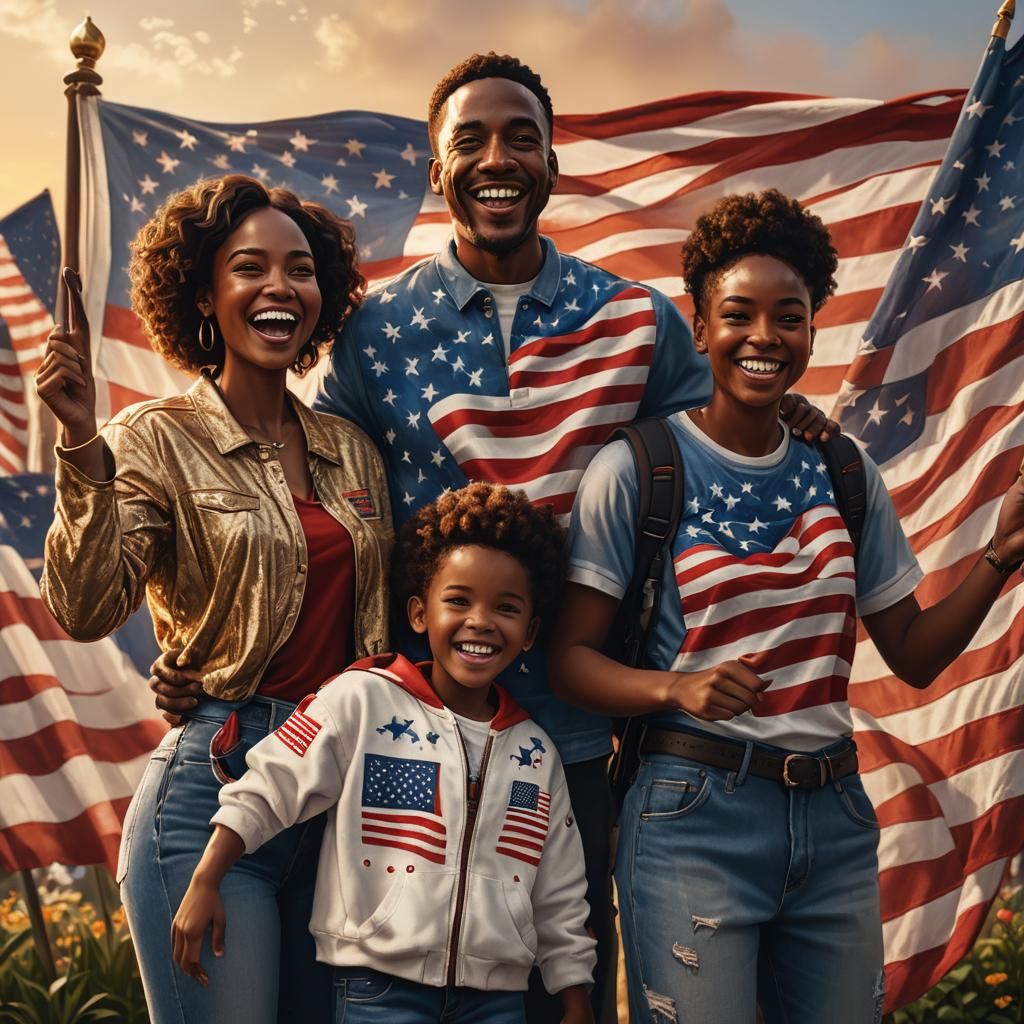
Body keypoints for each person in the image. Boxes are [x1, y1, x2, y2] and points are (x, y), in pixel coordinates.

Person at [148, 55, 835, 1023]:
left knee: (569, 977)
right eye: (468, 140)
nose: (495, 157)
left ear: (553, 162)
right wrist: (208, 649)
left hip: (583, 730)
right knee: (396, 986)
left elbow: (722, 439)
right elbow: (310, 513)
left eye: (520, 136)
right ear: (437, 171)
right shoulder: (374, 335)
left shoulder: (637, 323)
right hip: (412, 731)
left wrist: (797, 415)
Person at [549, 189, 1024, 1024]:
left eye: (789, 316)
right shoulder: (640, 468)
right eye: (739, 314)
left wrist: (1000, 556)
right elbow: (571, 660)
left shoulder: (841, 471)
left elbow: (911, 652)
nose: (764, 337)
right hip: (691, 814)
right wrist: (675, 689)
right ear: (699, 328)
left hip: (834, 817)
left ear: (811, 329)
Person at [36, 175, 393, 1024]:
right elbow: (85, 608)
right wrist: (82, 443)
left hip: (346, 799)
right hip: (217, 791)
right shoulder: (154, 438)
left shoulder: (353, 449)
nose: (279, 287)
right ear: (204, 293)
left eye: (300, 269)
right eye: (249, 268)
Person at [170, 482, 597, 1024]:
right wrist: (206, 878)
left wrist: (575, 995)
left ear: (530, 631)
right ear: (419, 614)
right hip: (378, 993)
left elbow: (559, 891)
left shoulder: (536, 753)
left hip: (498, 1001)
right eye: (458, 601)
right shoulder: (361, 699)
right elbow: (270, 785)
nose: (481, 621)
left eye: (506, 608)